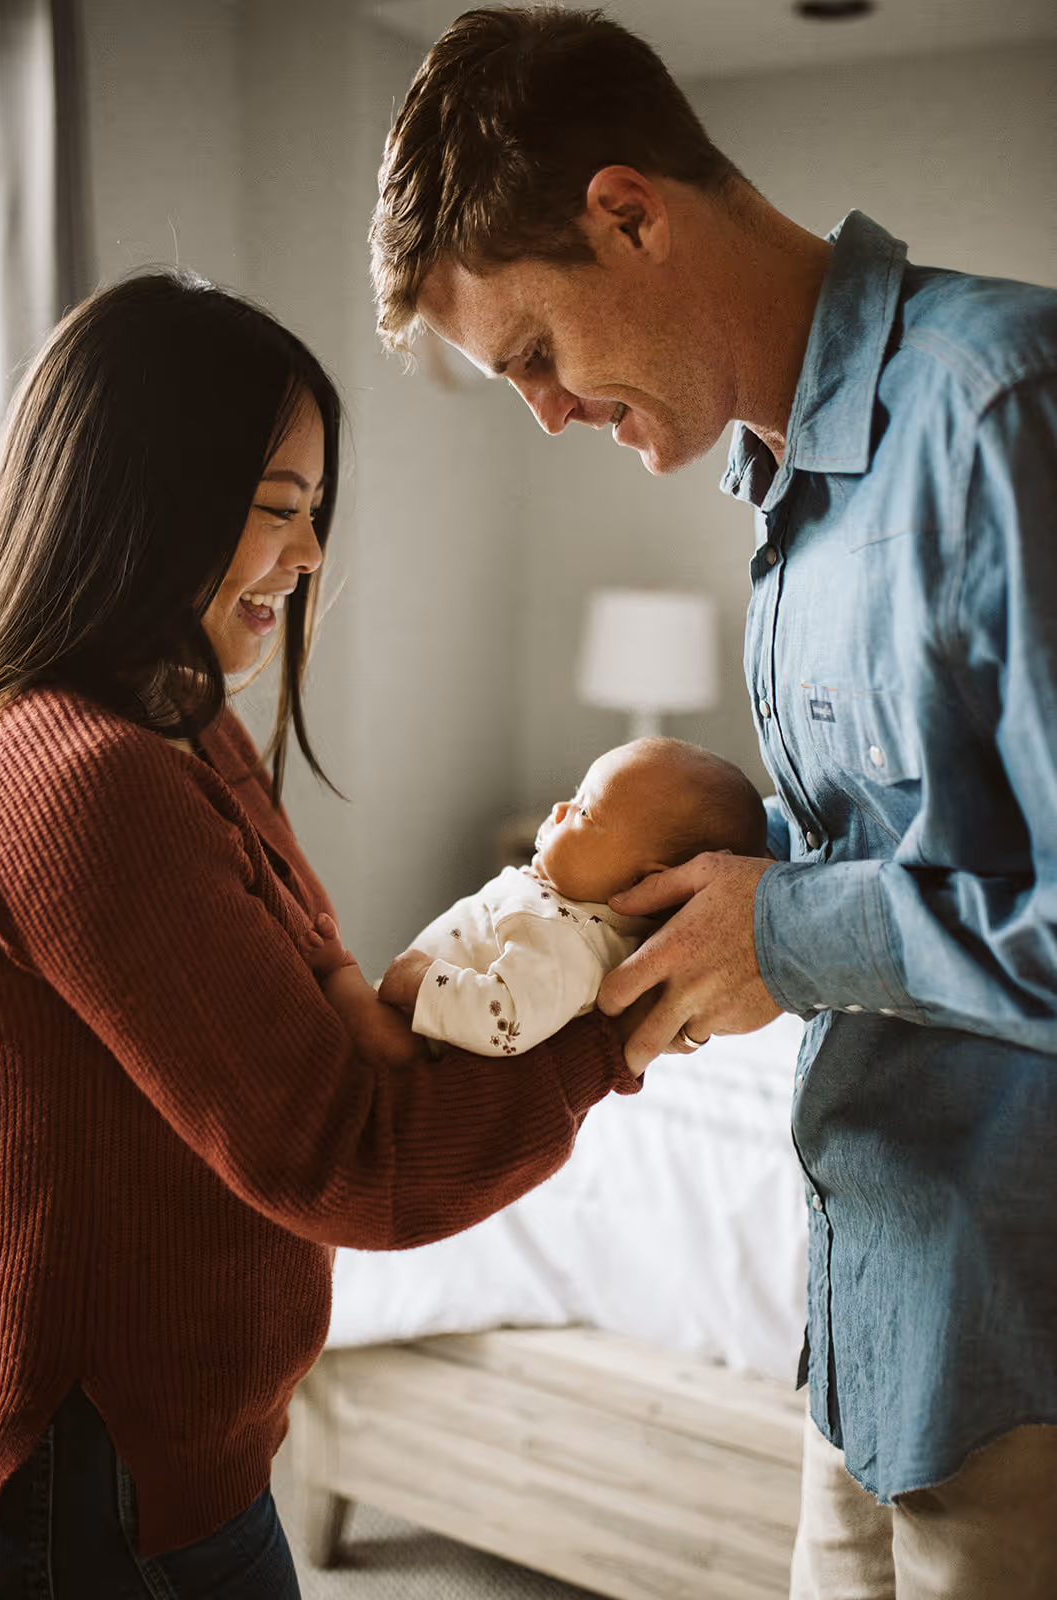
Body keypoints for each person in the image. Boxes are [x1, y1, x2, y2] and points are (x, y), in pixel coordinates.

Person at [370, 6, 1057, 1596]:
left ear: (630, 213)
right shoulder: (783, 505)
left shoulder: (1001, 413)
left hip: (1025, 1361)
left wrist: (793, 933)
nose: (543, 415)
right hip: (865, 1345)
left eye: (537, 354)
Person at [0, 271, 648, 1597]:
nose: (308, 560)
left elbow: (331, 988)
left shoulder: (180, 725)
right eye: (282, 513)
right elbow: (353, 1158)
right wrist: (626, 1021)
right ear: (148, 504)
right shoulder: (84, 780)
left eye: (316, 516)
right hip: (107, 1478)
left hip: (181, 1455)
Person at [372, 738, 767, 1055]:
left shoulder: (571, 948)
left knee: (360, 1023)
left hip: (414, 1043)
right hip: (407, 1014)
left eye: (585, 812)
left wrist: (423, 983)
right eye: (574, 796)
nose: (559, 808)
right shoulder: (559, 903)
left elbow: (507, 1020)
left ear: (646, 883)